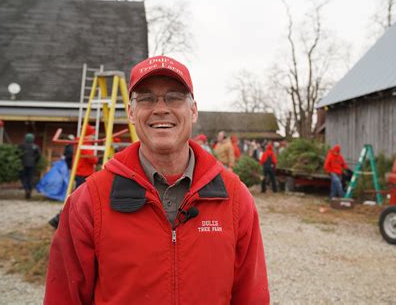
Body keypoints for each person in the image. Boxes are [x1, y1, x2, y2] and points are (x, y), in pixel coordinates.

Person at [44, 55, 269, 304]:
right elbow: (63, 296)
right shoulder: (89, 201)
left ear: (193, 111)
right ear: (131, 112)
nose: (161, 108)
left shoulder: (235, 198)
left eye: (174, 97)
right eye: (147, 98)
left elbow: (252, 296)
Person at [18, 133, 41, 199]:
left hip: (23, 164)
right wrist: (35, 161)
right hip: (32, 164)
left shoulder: (21, 146)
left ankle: (26, 189)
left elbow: (17, 154)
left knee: (23, 177)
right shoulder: (35, 146)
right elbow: (39, 155)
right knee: (30, 178)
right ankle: (29, 192)